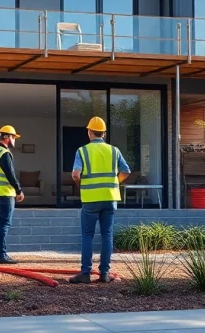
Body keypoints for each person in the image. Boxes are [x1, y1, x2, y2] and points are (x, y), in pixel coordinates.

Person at [69, 116, 130, 284]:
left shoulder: (82, 151)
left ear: (89, 132)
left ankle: (85, 273)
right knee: (107, 235)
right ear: (104, 133)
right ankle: (104, 274)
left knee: (87, 235)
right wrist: (114, 183)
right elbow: (126, 171)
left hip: (90, 199)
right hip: (110, 198)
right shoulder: (114, 150)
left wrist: (83, 185)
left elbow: (75, 174)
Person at [0, 125, 25, 265]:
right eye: (14, 137)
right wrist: (19, 190)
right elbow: (10, 174)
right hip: (5, 193)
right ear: (7, 137)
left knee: (0, 223)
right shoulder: (4, 153)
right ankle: (1, 255)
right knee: (5, 224)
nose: (14, 140)